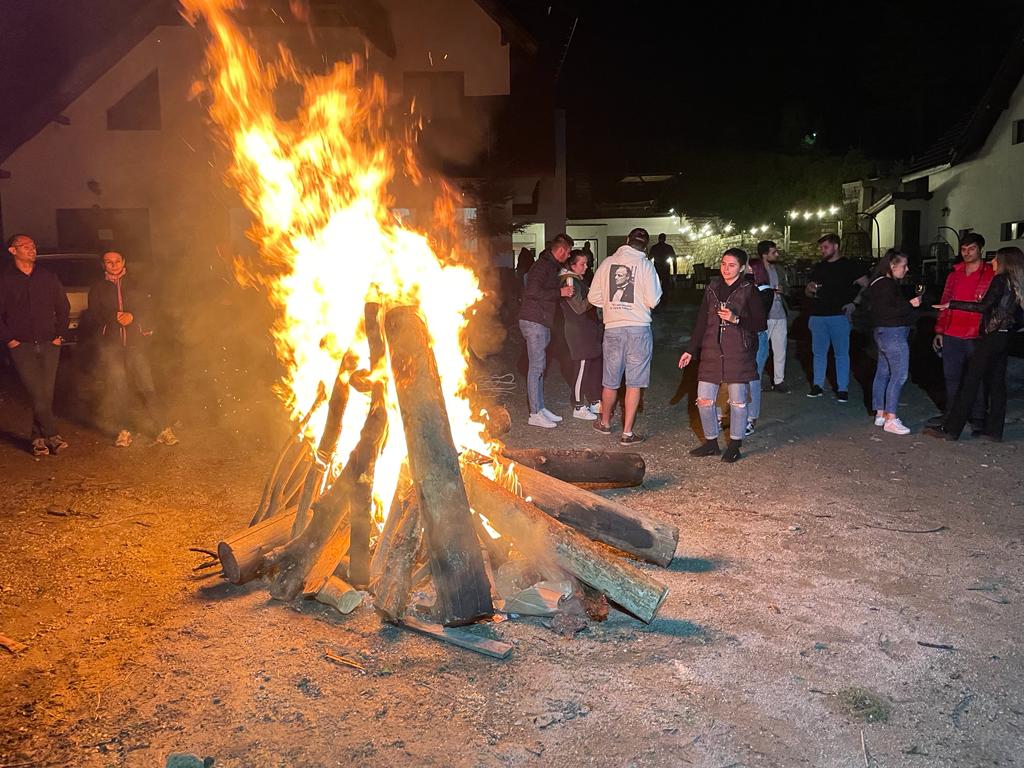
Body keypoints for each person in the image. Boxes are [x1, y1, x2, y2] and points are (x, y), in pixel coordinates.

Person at [925, 246, 1024, 442]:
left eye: (995, 259)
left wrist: (952, 304)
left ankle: (952, 429)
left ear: (1004, 262)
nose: (992, 262)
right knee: (997, 385)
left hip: (991, 337)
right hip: (1004, 337)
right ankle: (994, 431)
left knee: (970, 382)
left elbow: (984, 306)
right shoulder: (1016, 282)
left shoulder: (1000, 279)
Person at [679, 248, 766, 462]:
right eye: (724, 264)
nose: (726, 269)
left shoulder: (749, 290)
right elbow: (702, 320)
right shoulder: (712, 288)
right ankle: (711, 443)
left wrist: (736, 319)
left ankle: (735, 444)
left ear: (742, 268)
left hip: (739, 352)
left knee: (738, 401)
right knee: (704, 399)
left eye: (732, 265)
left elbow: (760, 323)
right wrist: (691, 349)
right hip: (711, 350)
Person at [89, 251, 178, 447]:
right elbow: (93, 315)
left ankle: (163, 429)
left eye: (117, 261)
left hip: (136, 344)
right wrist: (112, 317)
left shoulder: (136, 284)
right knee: (119, 388)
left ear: (124, 262)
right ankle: (124, 430)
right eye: (109, 262)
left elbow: (150, 309)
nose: (114, 265)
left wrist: (133, 317)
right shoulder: (98, 288)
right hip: (112, 345)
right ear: (103, 265)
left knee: (147, 387)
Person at [588, 228, 662, 445]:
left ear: (627, 240)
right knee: (634, 384)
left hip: (613, 328)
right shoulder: (646, 266)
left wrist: (610, 305)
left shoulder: (608, 263)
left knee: (610, 381)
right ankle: (627, 433)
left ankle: (604, 423)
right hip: (638, 328)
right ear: (646, 245)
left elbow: (593, 297)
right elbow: (654, 300)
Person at [0, 234, 70, 456]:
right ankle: (52, 435)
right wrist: (10, 339)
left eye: (33, 245)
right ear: (13, 251)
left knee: (44, 393)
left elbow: (63, 307)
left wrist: (59, 335)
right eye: (26, 246)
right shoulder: (5, 280)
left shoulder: (47, 277)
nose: (32, 249)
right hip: (22, 346)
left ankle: (37, 438)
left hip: (50, 343)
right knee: (36, 391)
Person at [929, 233, 994, 432]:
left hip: (977, 333)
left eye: (971, 248)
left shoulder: (990, 274)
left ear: (980, 249)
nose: (967, 253)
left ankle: (978, 416)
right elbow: (945, 302)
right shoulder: (954, 275)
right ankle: (952, 415)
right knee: (951, 377)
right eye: (964, 249)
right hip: (952, 332)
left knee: (977, 378)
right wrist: (940, 330)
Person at [518, 234, 575, 428]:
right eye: (568, 252)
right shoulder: (542, 266)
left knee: (540, 367)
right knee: (536, 368)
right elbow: (532, 292)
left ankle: (540, 408)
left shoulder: (550, 266)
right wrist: (560, 292)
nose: (569, 256)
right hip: (534, 321)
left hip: (541, 321)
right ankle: (534, 413)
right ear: (561, 250)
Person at [863, 249, 922, 435]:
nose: (906, 269)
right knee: (899, 375)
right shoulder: (887, 285)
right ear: (892, 265)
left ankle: (880, 412)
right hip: (893, 333)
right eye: (904, 266)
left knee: (883, 372)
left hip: (882, 332)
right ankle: (891, 418)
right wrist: (910, 305)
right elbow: (889, 311)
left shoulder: (876, 283)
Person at [805, 233, 868, 402]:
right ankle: (818, 385)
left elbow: (866, 285)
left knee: (841, 353)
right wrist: (809, 290)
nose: (822, 250)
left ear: (836, 246)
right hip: (818, 315)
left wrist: (854, 303)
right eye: (821, 247)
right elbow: (808, 291)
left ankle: (842, 388)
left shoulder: (849, 266)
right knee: (818, 353)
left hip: (839, 315)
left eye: (825, 247)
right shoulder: (819, 267)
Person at [559, 249, 603, 420]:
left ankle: (593, 401)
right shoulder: (569, 281)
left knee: (590, 368)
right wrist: (594, 295)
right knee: (581, 368)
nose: (586, 267)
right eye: (582, 264)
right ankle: (578, 406)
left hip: (586, 330)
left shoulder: (578, 280)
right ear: (572, 265)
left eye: (586, 263)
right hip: (578, 331)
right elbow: (579, 308)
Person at [745, 242, 775, 434]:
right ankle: (739, 413)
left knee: (753, 379)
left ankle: (751, 418)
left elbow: (756, 313)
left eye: (747, 269)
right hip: (744, 337)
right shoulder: (747, 289)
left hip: (758, 338)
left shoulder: (765, 292)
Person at [763, 242, 791, 393]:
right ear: (764, 254)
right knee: (760, 351)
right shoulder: (758, 270)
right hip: (765, 315)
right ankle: (754, 380)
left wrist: (783, 289)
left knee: (780, 350)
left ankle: (779, 381)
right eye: (773, 252)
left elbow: (788, 288)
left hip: (780, 313)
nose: (777, 254)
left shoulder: (779, 269)